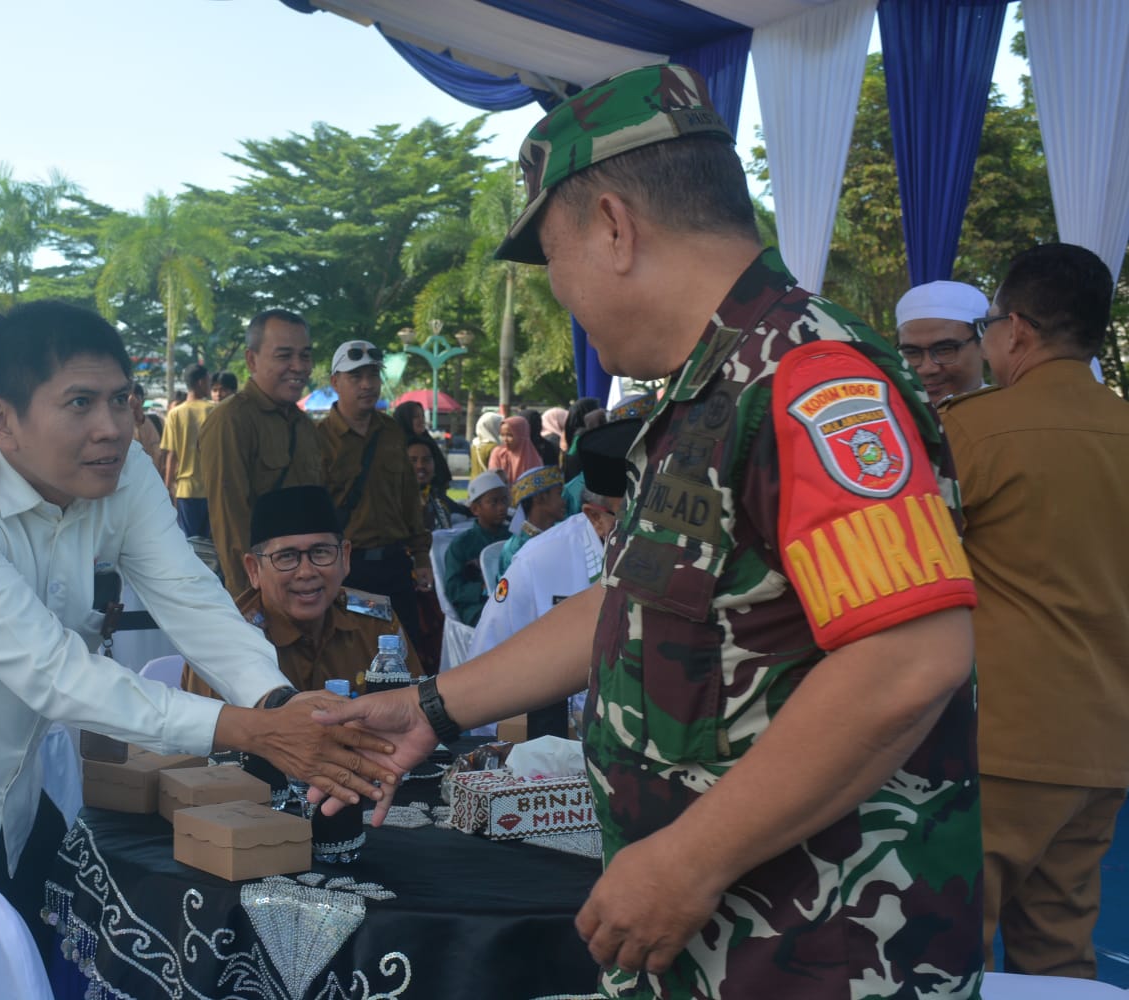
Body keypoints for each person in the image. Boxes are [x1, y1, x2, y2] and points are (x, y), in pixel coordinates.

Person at [312, 64, 982, 999]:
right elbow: (625, 608)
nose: (560, 294)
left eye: (554, 259)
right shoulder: (708, 388)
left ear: (615, 228)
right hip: (726, 946)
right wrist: (428, 708)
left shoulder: (809, 381)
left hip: (823, 952)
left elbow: (909, 657)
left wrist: (689, 861)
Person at [0, 301, 395, 1000]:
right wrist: (253, 730)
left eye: (121, 399)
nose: (112, 427)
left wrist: (279, 702)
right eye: (79, 402)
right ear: (0, 418)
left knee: (44, 965)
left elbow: (187, 592)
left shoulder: (121, 467)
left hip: (4, 785)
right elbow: (54, 674)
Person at [939, 243, 1128, 979]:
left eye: (986, 326)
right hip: (1105, 746)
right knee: (1059, 959)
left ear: (1015, 330)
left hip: (999, 746)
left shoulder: (976, 430)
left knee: (945, 953)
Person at [470, 420, 637, 726]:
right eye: (634, 519)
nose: (653, 532)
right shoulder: (538, 563)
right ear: (596, 519)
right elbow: (485, 661)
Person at [183, 486, 422, 696]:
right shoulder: (223, 644)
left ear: (345, 558)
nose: (306, 572)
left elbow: (415, 713)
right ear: (254, 570)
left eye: (321, 552)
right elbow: (203, 744)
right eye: (286, 557)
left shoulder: (375, 624)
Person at [197, 309, 324, 598]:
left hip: (307, 587)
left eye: (305, 355)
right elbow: (230, 525)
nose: (298, 366)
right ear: (251, 359)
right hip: (262, 593)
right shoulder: (231, 421)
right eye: (284, 356)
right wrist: (251, 603)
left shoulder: (304, 425)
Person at [319, 340, 431, 653]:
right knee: (358, 656)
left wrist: (421, 557)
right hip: (349, 571)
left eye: (373, 376)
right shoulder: (317, 440)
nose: (367, 385)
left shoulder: (392, 432)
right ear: (335, 382)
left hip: (395, 566)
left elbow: (410, 498)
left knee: (405, 655)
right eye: (356, 377)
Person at [895, 280, 989, 405]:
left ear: (985, 344)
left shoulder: (1014, 416)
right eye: (912, 353)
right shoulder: (886, 419)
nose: (927, 369)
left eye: (944, 350)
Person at [444, 471, 510, 627]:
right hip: (477, 608)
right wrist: (482, 589)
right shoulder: (461, 545)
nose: (502, 507)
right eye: (493, 502)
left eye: (504, 500)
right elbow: (453, 589)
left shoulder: (512, 539)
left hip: (510, 601)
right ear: (475, 509)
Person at [160, 363, 217, 538]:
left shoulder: (175, 414)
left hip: (186, 490)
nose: (210, 386)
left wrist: (167, 488)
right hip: (213, 489)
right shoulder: (214, 410)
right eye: (208, 381)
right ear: (200, 382)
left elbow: (171, 455)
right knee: (211, 545)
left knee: (190, 543)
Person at [498, 465, 565, 575]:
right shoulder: (515, 549)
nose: (564, 501)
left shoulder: (564, 534)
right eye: (559, 494)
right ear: (539, 498)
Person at [405, 434, 466, 531]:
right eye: (413, 460)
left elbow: (465, 511)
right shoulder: (393, 503)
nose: (420, 465)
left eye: (426, 460)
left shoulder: (437, 498)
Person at [394, 400, 453, 499]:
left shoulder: (428, 443)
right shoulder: (396, 447)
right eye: (415, 417)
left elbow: (442, 475)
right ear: (405, 419)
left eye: (422, 416)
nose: (421, 420)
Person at [487, 414, 542, 483]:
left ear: (521, 435)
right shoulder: (499, 453)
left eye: (510, 435)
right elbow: (494, 478)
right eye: (502, 435)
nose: (505, 439)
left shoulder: (533, 458)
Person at [129, 382, 163, 468]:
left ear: (143, 400)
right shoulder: (119, 428)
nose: (134, 402)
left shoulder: (157, 422)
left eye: (137, 397)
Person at [469, 411, 502, 477]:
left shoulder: (475, 444)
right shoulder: (494, 447)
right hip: (489, 483)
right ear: (492, 426)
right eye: (499, 425)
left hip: (474, 482)